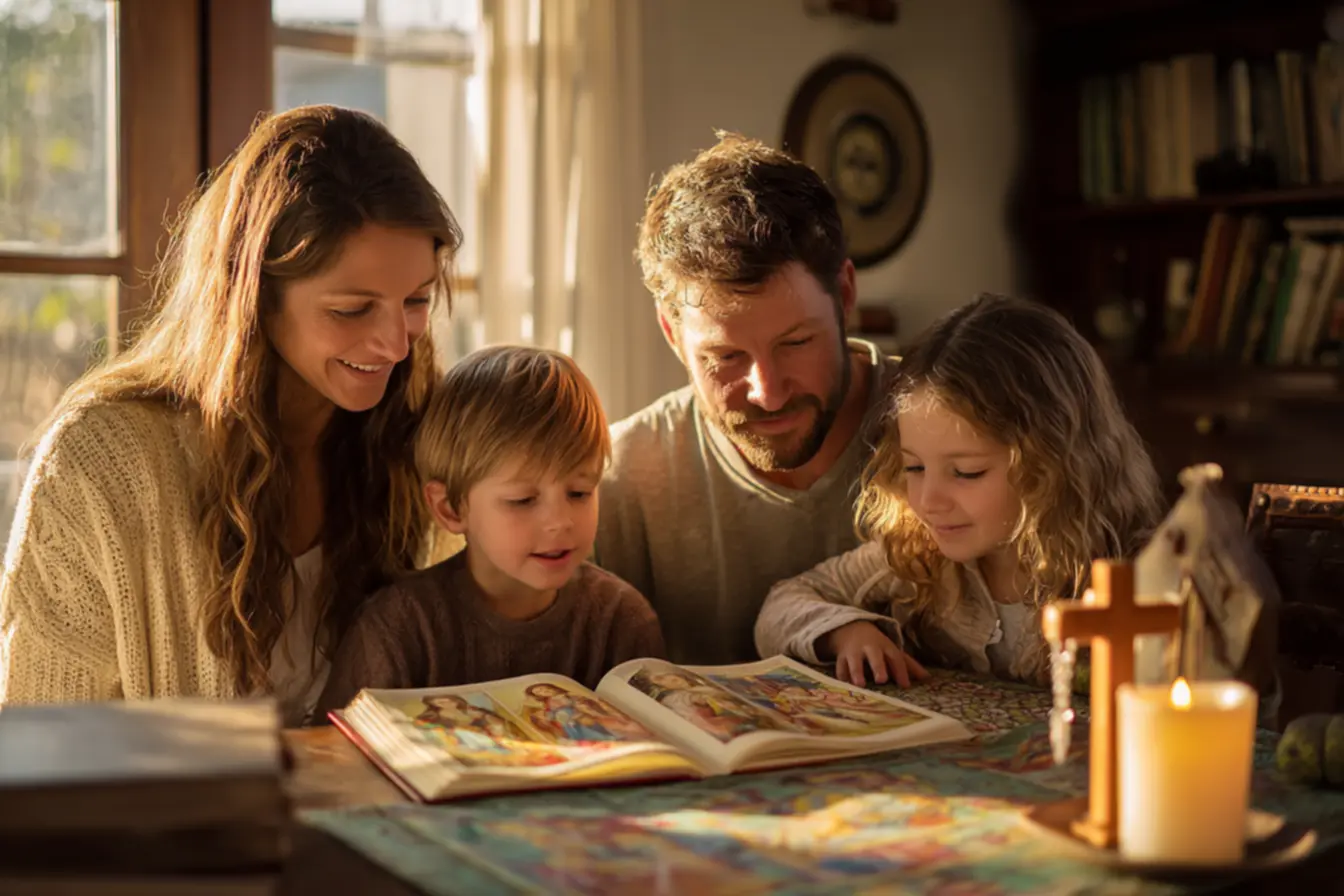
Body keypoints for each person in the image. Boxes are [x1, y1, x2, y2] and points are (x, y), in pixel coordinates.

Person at [0, 105, 461, 724]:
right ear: (253, 298)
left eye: (416, 301)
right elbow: (40, 750)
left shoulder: (421, 434)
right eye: (352, 310)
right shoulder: (97, 469)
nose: (397, 346)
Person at [594, 132, 899, 665]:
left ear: (845, 295)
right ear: (672, 333)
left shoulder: (956, 434)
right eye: (725, 357)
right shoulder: (620, 480)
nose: (768, 391)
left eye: (797, 343)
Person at [755, 295, 1165, 689]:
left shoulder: (1138, 574)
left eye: (966, 472)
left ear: (1053, 466)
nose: (928, 501)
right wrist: (844, 632)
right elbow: (783, 603)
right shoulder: (915, 554)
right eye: (914, 467)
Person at [314, 346, 665, 716]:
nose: (560, 521)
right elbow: (331, 758)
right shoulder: (399, 629)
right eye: (523, 500)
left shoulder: (622, 620)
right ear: (450, 507)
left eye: (579, 492)